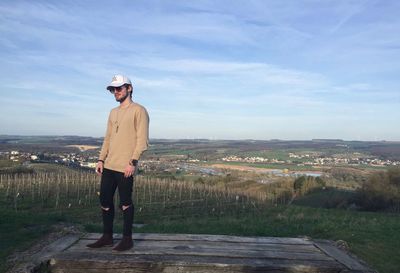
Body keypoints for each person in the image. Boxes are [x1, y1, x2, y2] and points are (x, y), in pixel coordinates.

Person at [87, 74, 149, 251]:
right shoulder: (113, 112)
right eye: (113, 89)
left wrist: (133, 161)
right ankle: (107, 237)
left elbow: (142, 139)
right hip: (109, 165)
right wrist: (100, 159)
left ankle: (127, 239)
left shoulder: (139, 110)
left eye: (119, 88)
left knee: (125, 202)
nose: (116, 92)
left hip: (125, 166)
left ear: (129, 88)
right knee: (104, 200)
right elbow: (108, 138)